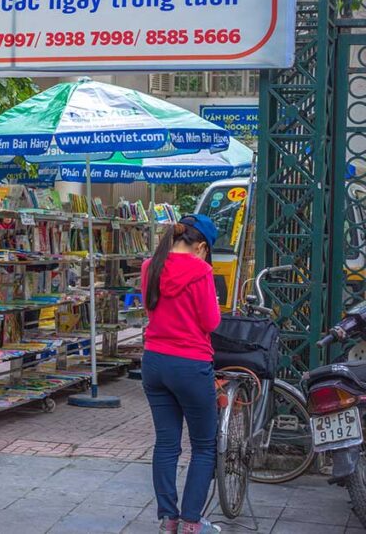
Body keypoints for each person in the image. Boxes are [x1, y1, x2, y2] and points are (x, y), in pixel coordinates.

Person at [141, 214, 222, 534]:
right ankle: (191, 522)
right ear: (201, 247)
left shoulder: (150, 266)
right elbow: (211, 322)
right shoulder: (201, 271)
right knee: (203, 445)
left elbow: (150, 308)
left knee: (166, 443)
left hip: (154, 362)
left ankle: (168, 519)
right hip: (190, 363)